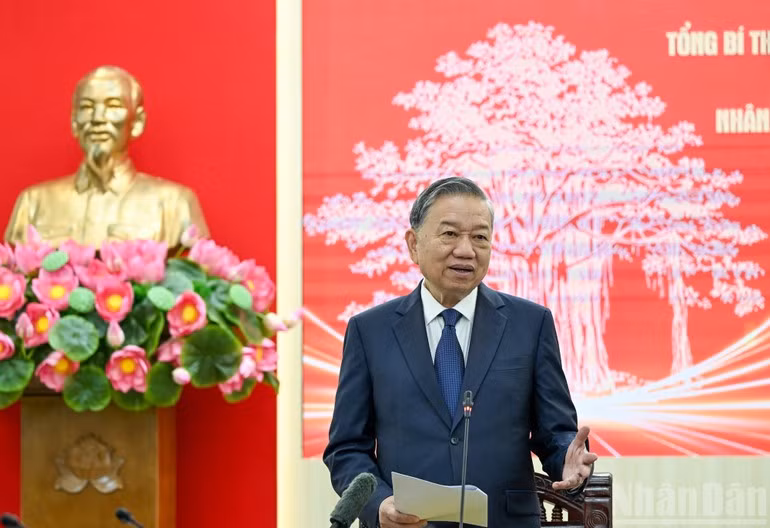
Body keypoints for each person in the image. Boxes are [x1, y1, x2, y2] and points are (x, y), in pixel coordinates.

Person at [323, 177, 597, 528]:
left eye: (480, 237)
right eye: (450, 234)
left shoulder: (531, 324)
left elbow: (555, 432)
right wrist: (378, 504)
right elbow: (346, 449)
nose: (466, 250)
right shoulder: (369, 331)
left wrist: (567, 461)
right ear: (413, 244)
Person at [4, 65, 209, 248]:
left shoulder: (174, 204)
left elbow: (199, 282)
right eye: (86, 107)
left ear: (137, 122)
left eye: (113, 106)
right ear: (74, 122)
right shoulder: (33, 202)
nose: (98, 118)